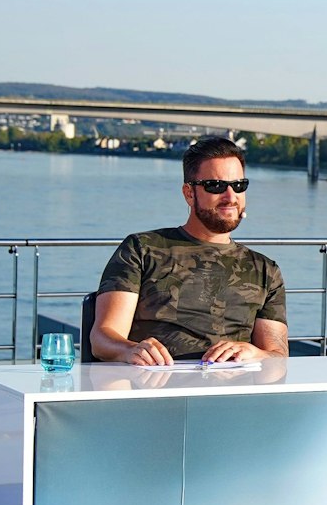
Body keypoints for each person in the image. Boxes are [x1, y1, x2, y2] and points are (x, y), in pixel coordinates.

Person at [90, 136, 288, 364]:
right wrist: (129, 350)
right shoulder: (142, 250)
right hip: (153, 386)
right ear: (189, 193)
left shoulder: (266, 270)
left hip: (230, 389)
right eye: (216, 186)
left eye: (239, 185)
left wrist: (256, 354)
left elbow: (278, 357)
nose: (230, 197)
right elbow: (102, 338)